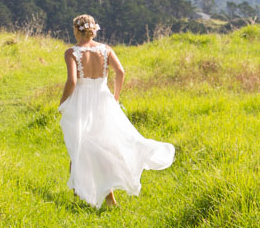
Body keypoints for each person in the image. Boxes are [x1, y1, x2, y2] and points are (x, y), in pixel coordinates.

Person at [58, 14, 174, 208]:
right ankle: (102, 196)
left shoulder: (72, 52)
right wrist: (116, 96)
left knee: (79, 146)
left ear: (76, 30)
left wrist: (63, 102)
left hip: (82, 101)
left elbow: (72, 81)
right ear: (93, 30)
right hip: (103, 99)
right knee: (105, 145)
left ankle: (81, 194)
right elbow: (120, 71)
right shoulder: (105, 50)